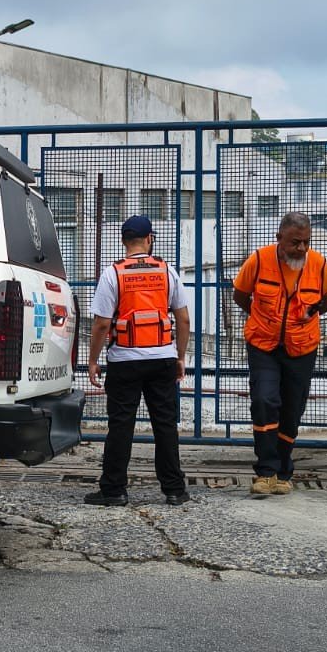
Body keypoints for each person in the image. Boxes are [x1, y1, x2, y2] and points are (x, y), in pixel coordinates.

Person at [84, 214, 191, 508]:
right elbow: (183, 319)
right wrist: (180, 357)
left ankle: (114, 490)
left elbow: (101, 324)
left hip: (124, 361)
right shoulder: (167, 271)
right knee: (165, 424)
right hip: (162, 358)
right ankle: (174, 489)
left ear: (123, 241)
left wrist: (93, 361)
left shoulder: (113, 274)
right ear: (149, 239)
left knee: (121, 425)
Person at [232, 211, 327, 498]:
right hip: (263, 345)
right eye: (295, 242)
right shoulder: (258, 260)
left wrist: (310, 313)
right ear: (279, 238)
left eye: (306, 242)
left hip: (302, 348)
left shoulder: (318, 264)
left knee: (292, 409)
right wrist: (263, 319)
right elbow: (240, 295)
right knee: (264, 400)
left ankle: (283, 472)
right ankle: (266, 471)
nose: (301, 248)